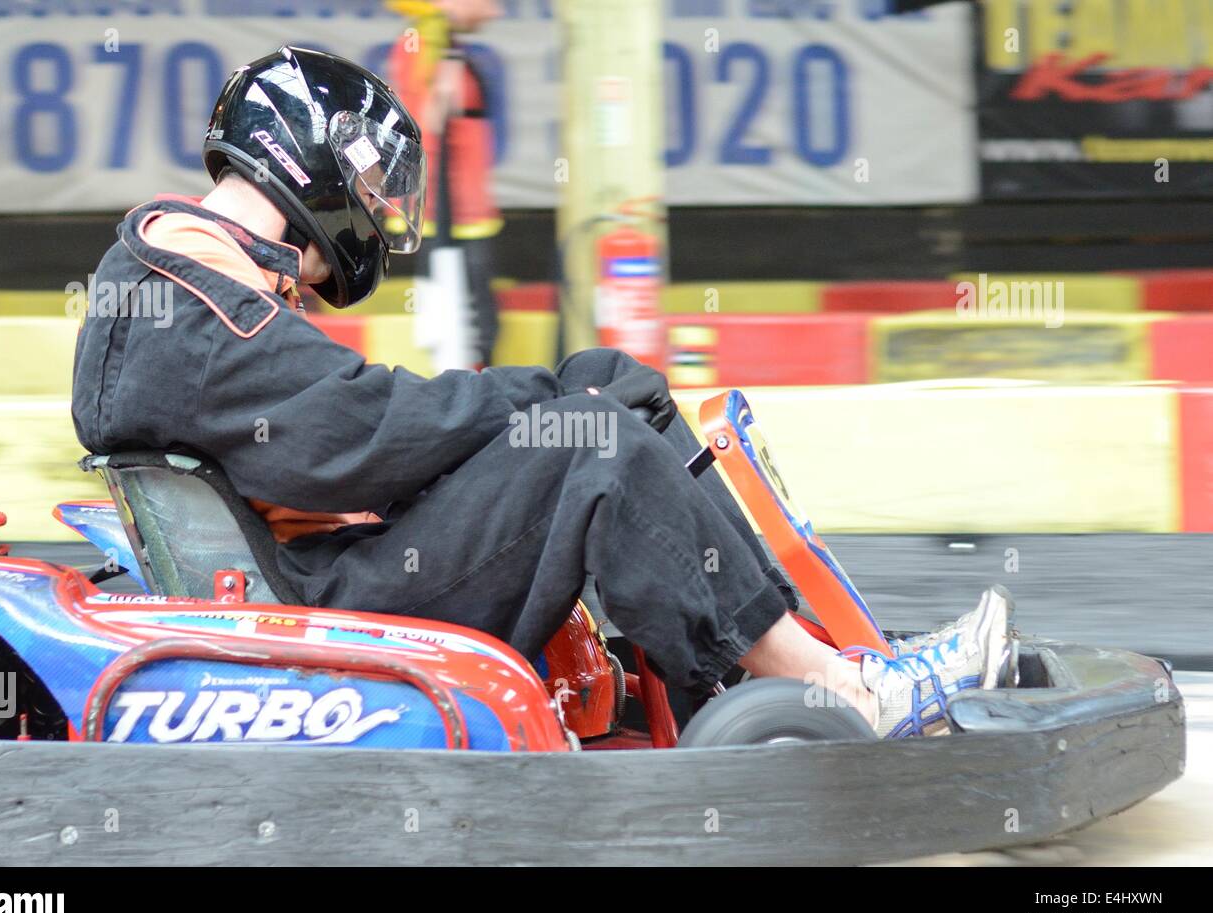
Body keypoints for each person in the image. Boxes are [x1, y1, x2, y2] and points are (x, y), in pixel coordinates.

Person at [71, 47, 1016, 739]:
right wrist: (541, 396)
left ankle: (776, 664)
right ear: (307, 163)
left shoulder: (193, 276)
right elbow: (352, 436)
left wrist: (551, 389)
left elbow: (345, 424)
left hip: (336, 563)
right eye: (364, 178)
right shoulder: (183, 292)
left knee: (606, 409)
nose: (373, 206)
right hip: (331, 597)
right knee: (589, 443)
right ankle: (843, 692)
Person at [388, 0, 504, 368]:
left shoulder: (444, 45)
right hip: (444, 217)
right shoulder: (423, 47)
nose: (495, 11)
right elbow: (426, 124)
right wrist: (442, 88)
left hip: (464, 212)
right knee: (462, 326)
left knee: (478, 322)